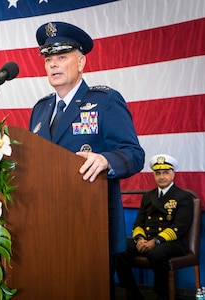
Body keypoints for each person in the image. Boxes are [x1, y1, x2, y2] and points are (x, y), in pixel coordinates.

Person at [29, 22, 145, 299]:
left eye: (62, 57)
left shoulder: (104, 101)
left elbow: (134, 154)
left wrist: (106, 160)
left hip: (91, 228)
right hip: (44, 227)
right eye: (48, 59)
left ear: (81, 62)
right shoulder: (40, 110)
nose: (53, 65)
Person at [116, 154, 194, 300]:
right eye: (158, 173)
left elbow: (179, 227)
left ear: (173, 174)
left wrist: (155, 241)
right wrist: (140, 239)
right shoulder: (148, 196)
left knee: (156, 253)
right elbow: (139, 222)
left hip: (173, 242)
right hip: (148, 239)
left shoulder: (183, 196)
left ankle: (162, 294)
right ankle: (133, 292)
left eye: (165, 172)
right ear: (154, 175)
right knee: (120, 248)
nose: (162, 176)